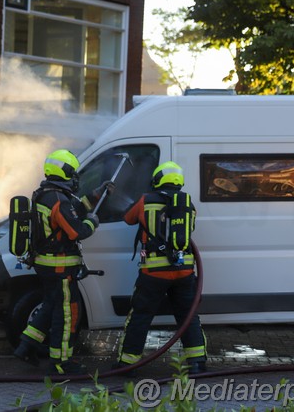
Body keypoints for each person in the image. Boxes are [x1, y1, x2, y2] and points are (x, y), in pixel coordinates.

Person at [13, 149, 112, 375]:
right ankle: (61, 363)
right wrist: (93, 222)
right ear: (65, 173)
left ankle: (25, 345)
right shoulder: (58, 200)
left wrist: (96, 195)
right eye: (73, 172)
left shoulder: (45, 194)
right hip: (60, 268)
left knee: (50, 306)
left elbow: (73, 210)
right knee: (68, 314)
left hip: (46, 265)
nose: (75, 177)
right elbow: (76, 230)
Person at [114, 161, 207, 374]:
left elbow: (127, 218)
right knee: (188, 316)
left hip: (153, 273)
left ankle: (128, 363)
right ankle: (197, 362)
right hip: (184, 271)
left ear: (157, 179)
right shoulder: (188, 203)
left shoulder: (146, 200)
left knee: (141, 315)